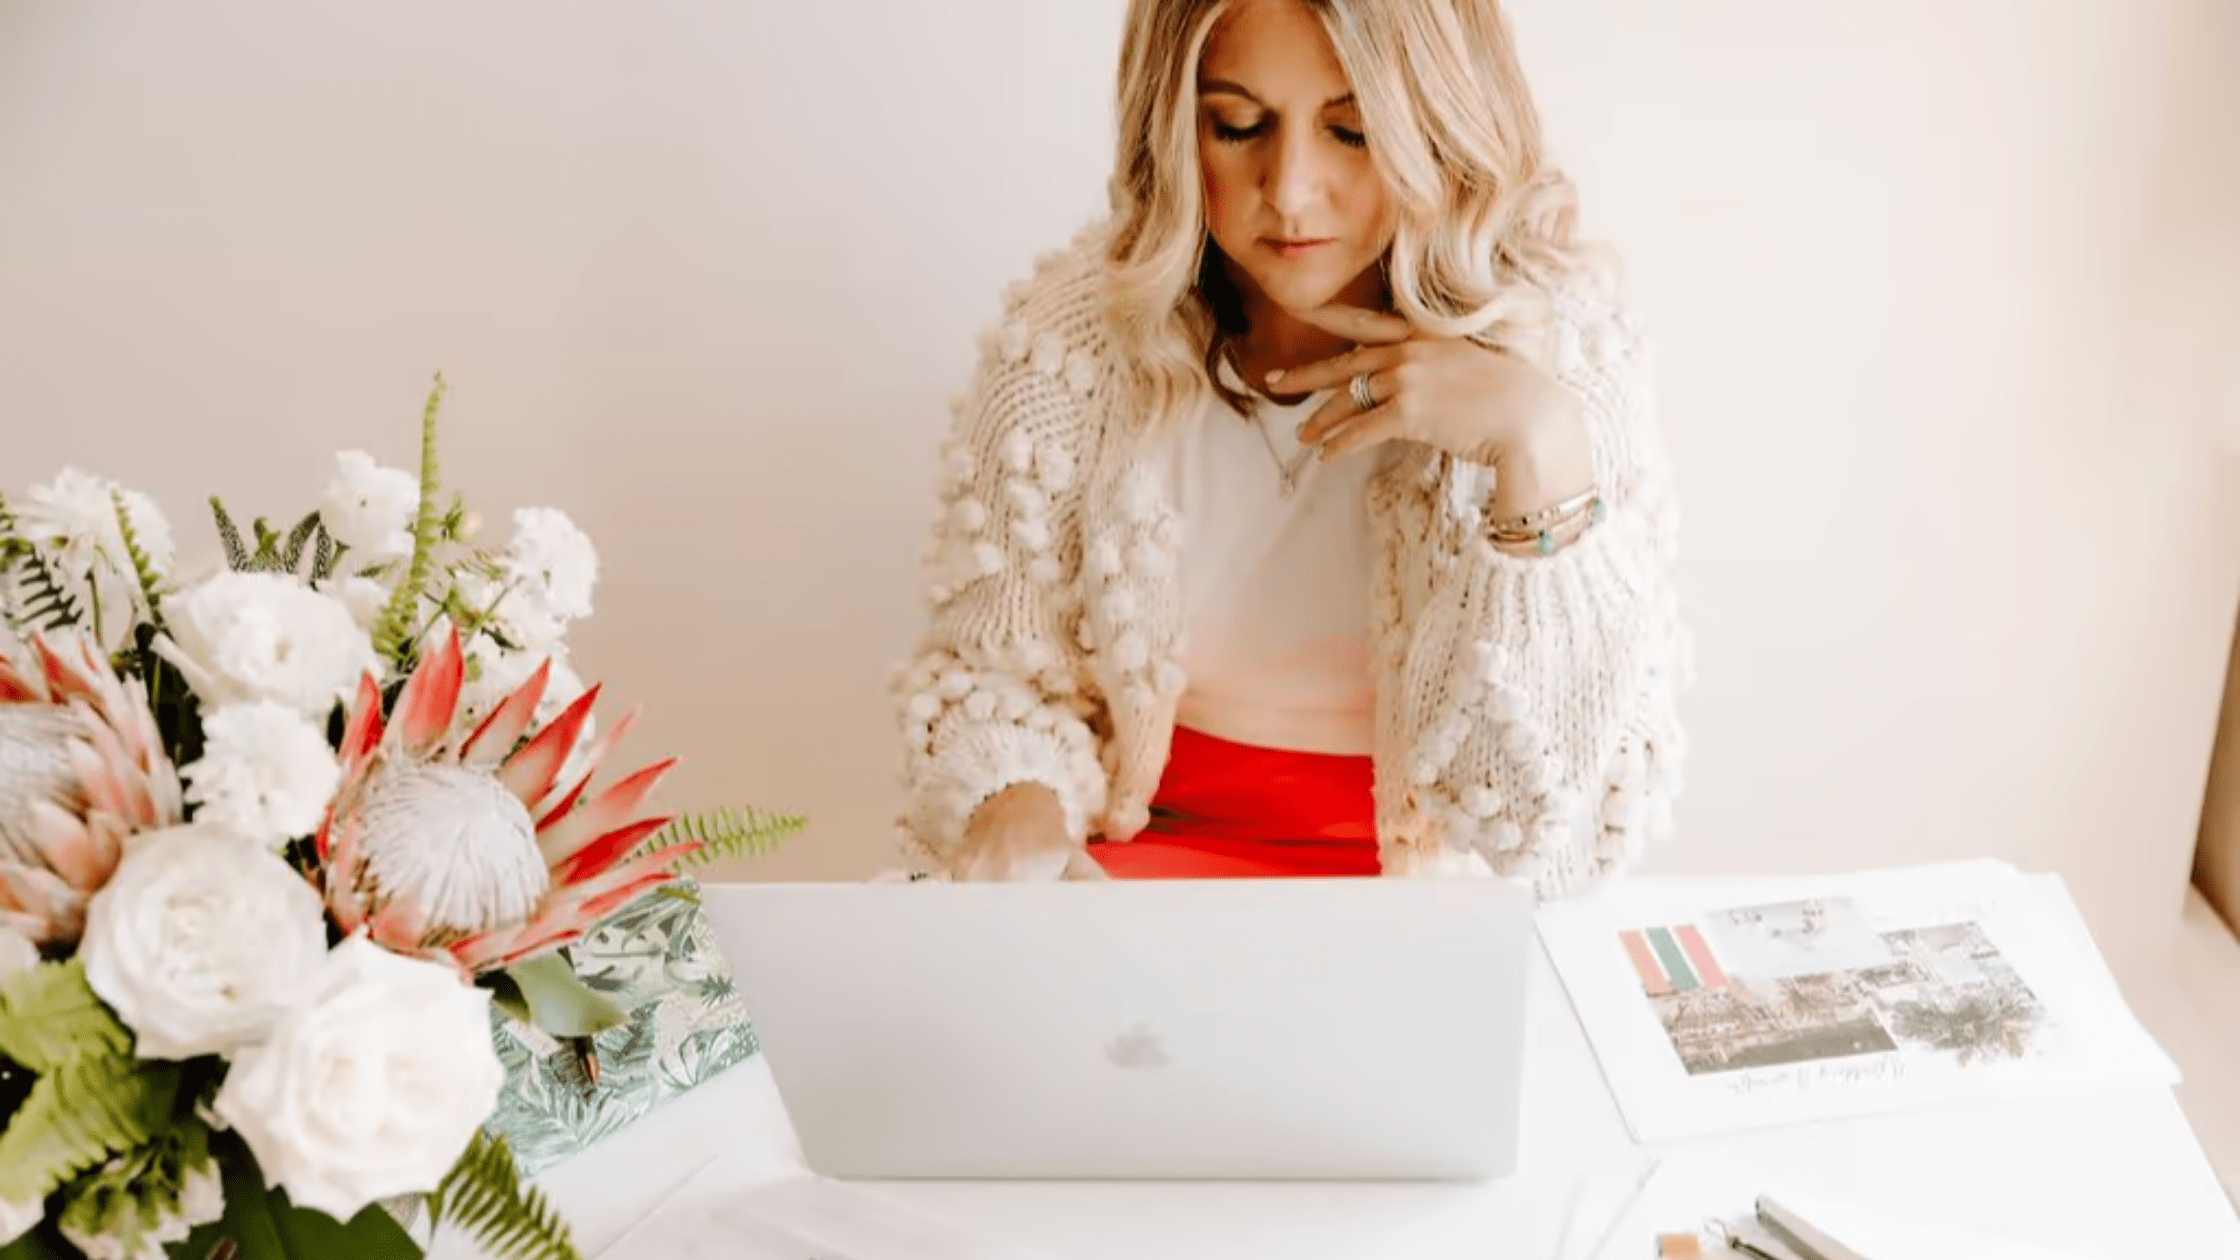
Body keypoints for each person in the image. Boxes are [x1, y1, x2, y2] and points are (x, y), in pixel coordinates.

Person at [891, 0, 1687, 899]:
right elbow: (992, 673)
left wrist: (1535, 450)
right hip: (1131, 887)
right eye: (1238, 126)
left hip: (1418, 909)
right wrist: (1014, 795)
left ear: (1440, 121)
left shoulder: (1565, 361)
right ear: (1174, 123)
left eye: (1351, 131)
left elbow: (1561, 834)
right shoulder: (1073, 347)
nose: (1292, 189)